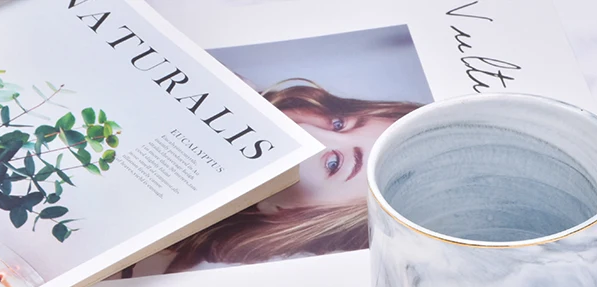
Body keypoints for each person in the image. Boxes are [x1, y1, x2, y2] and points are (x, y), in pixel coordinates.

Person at [129, 80, 421, 276]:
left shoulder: (161, 263)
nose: (305, 130)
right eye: (339, 123)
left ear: (279, 211)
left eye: (333, 163)